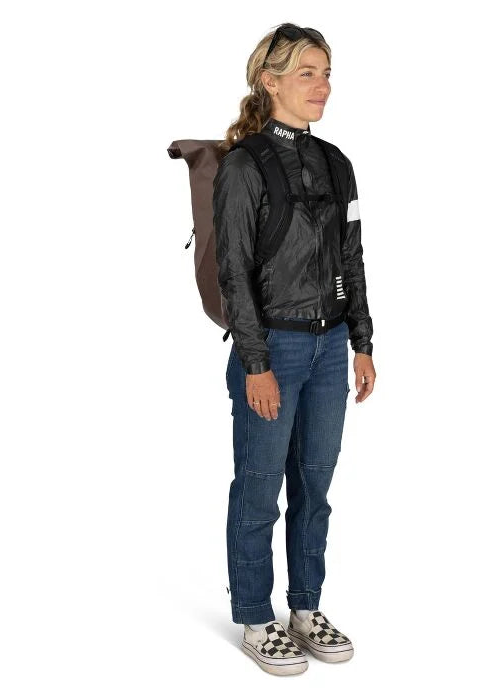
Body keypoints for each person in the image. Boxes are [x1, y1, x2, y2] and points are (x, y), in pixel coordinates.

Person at [213, 23, 376, 675]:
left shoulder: (338, 163)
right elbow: (233, 271)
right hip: (273, 346)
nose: (323, 85)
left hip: (330, 347)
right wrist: (255, 363)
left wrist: (361, 341)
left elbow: (351, 257)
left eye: (327, 72)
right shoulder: (244, 165)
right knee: (259, 490)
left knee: (315, 486)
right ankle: (256, 618)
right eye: (307, 72)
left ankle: (305, 609)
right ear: (269, 80)